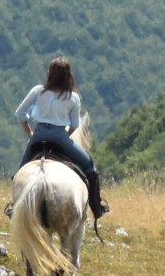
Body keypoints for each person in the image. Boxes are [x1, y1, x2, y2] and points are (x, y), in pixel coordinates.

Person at [16, 55, 106, 218]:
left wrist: (30, 133)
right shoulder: (73, 97)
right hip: (60, 136)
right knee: (89, 166)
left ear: (49, 73)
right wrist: (65, 137)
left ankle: (14, 206)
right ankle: (96, 206)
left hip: (39, 134)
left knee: (20, 172)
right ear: (69, 76)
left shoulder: (37, 91)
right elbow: (74, 125)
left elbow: (20, 113)